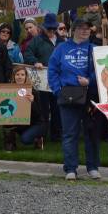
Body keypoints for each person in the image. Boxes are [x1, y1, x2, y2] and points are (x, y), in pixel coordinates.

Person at [48, 17, 101, 180]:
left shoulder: (95, 49)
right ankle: (70, 168)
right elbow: (52, 70)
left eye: (88, 28)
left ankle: (92, 166)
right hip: (68, 95)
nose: (85, 31)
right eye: (81, 28)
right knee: (70, 133)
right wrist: (58, 90)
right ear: (74, 30)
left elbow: (103, 69)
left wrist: (90, 80)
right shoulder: (61, 49)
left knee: (91, 133)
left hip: (90, 95)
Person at [24, 13, 62, 142]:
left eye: (53, 29)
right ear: (44, 28)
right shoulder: (37, 40)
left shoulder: (61, 40)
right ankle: (42, 135)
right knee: (44, 109)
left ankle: (56, 135)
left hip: (58, 80)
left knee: (57, 108)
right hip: (42, 80)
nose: (51, 31)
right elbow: (27, 53)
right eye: (49, 29)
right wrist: (35, 62)